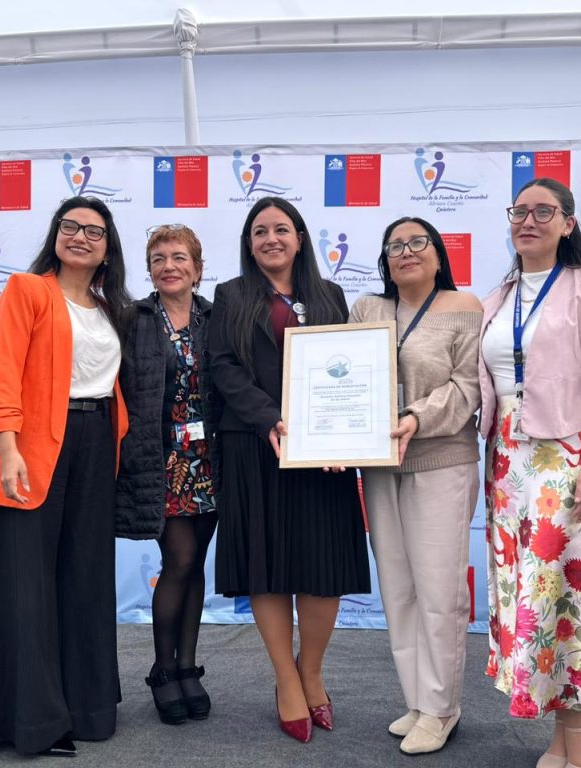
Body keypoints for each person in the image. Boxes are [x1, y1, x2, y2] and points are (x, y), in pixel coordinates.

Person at [0, 196, 131, 756]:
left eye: (94, 231)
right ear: (55, 235)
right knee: (28, 583)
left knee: (86, 579)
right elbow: (2, 372)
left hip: (97, 443)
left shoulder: (110, 308)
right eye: (70, 226)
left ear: (108, 249)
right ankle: (33, 719)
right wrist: (7, 447)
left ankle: (88, 707)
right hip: (34, 447)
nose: (80, 236)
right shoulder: (27, 290)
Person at [209, 196, 371, 744]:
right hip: (257, 446)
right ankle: (285, 678)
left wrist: (345, 430)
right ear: (249, 244)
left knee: (324, 566)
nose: (270, 239)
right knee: (267, 563)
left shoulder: (331, 295)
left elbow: (349, 369)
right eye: (259, 231)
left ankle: (312, 670)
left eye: (281, 229)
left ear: (300, 239)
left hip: (323, 451)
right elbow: (224, 368)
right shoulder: (231, 295)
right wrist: (271, 420)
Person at [480, 178, 581, 768]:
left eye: (544, 211)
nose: (528, 220)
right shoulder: (498, 296)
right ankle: (563, 740)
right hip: (507, 462)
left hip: (569, 458)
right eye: (519, 211)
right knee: (532, 597)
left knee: (570, 596)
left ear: (568, 224)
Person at [348, 217, 483, 755]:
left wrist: (415, 417)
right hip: (380, 465)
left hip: (440, 460)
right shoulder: (367, 309)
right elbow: (346, 377)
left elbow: (469, 387)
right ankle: (419, 700)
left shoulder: (464, 307)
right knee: (398, 588)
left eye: (417, 242)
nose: (405, 252)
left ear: (438, 253)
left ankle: (443, 707)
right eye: (394, 245)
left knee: (439, 591)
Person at [114, 224, 219, 725]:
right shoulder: (131, 319)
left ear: (197, 268)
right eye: (158, 259)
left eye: (179, 257)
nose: (169, 266)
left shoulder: (216, 318)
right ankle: (162, 669)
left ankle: (186, 667)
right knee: (178, 559)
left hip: (211, 461)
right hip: (160, 461)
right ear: (150, 270)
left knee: (196, 564)